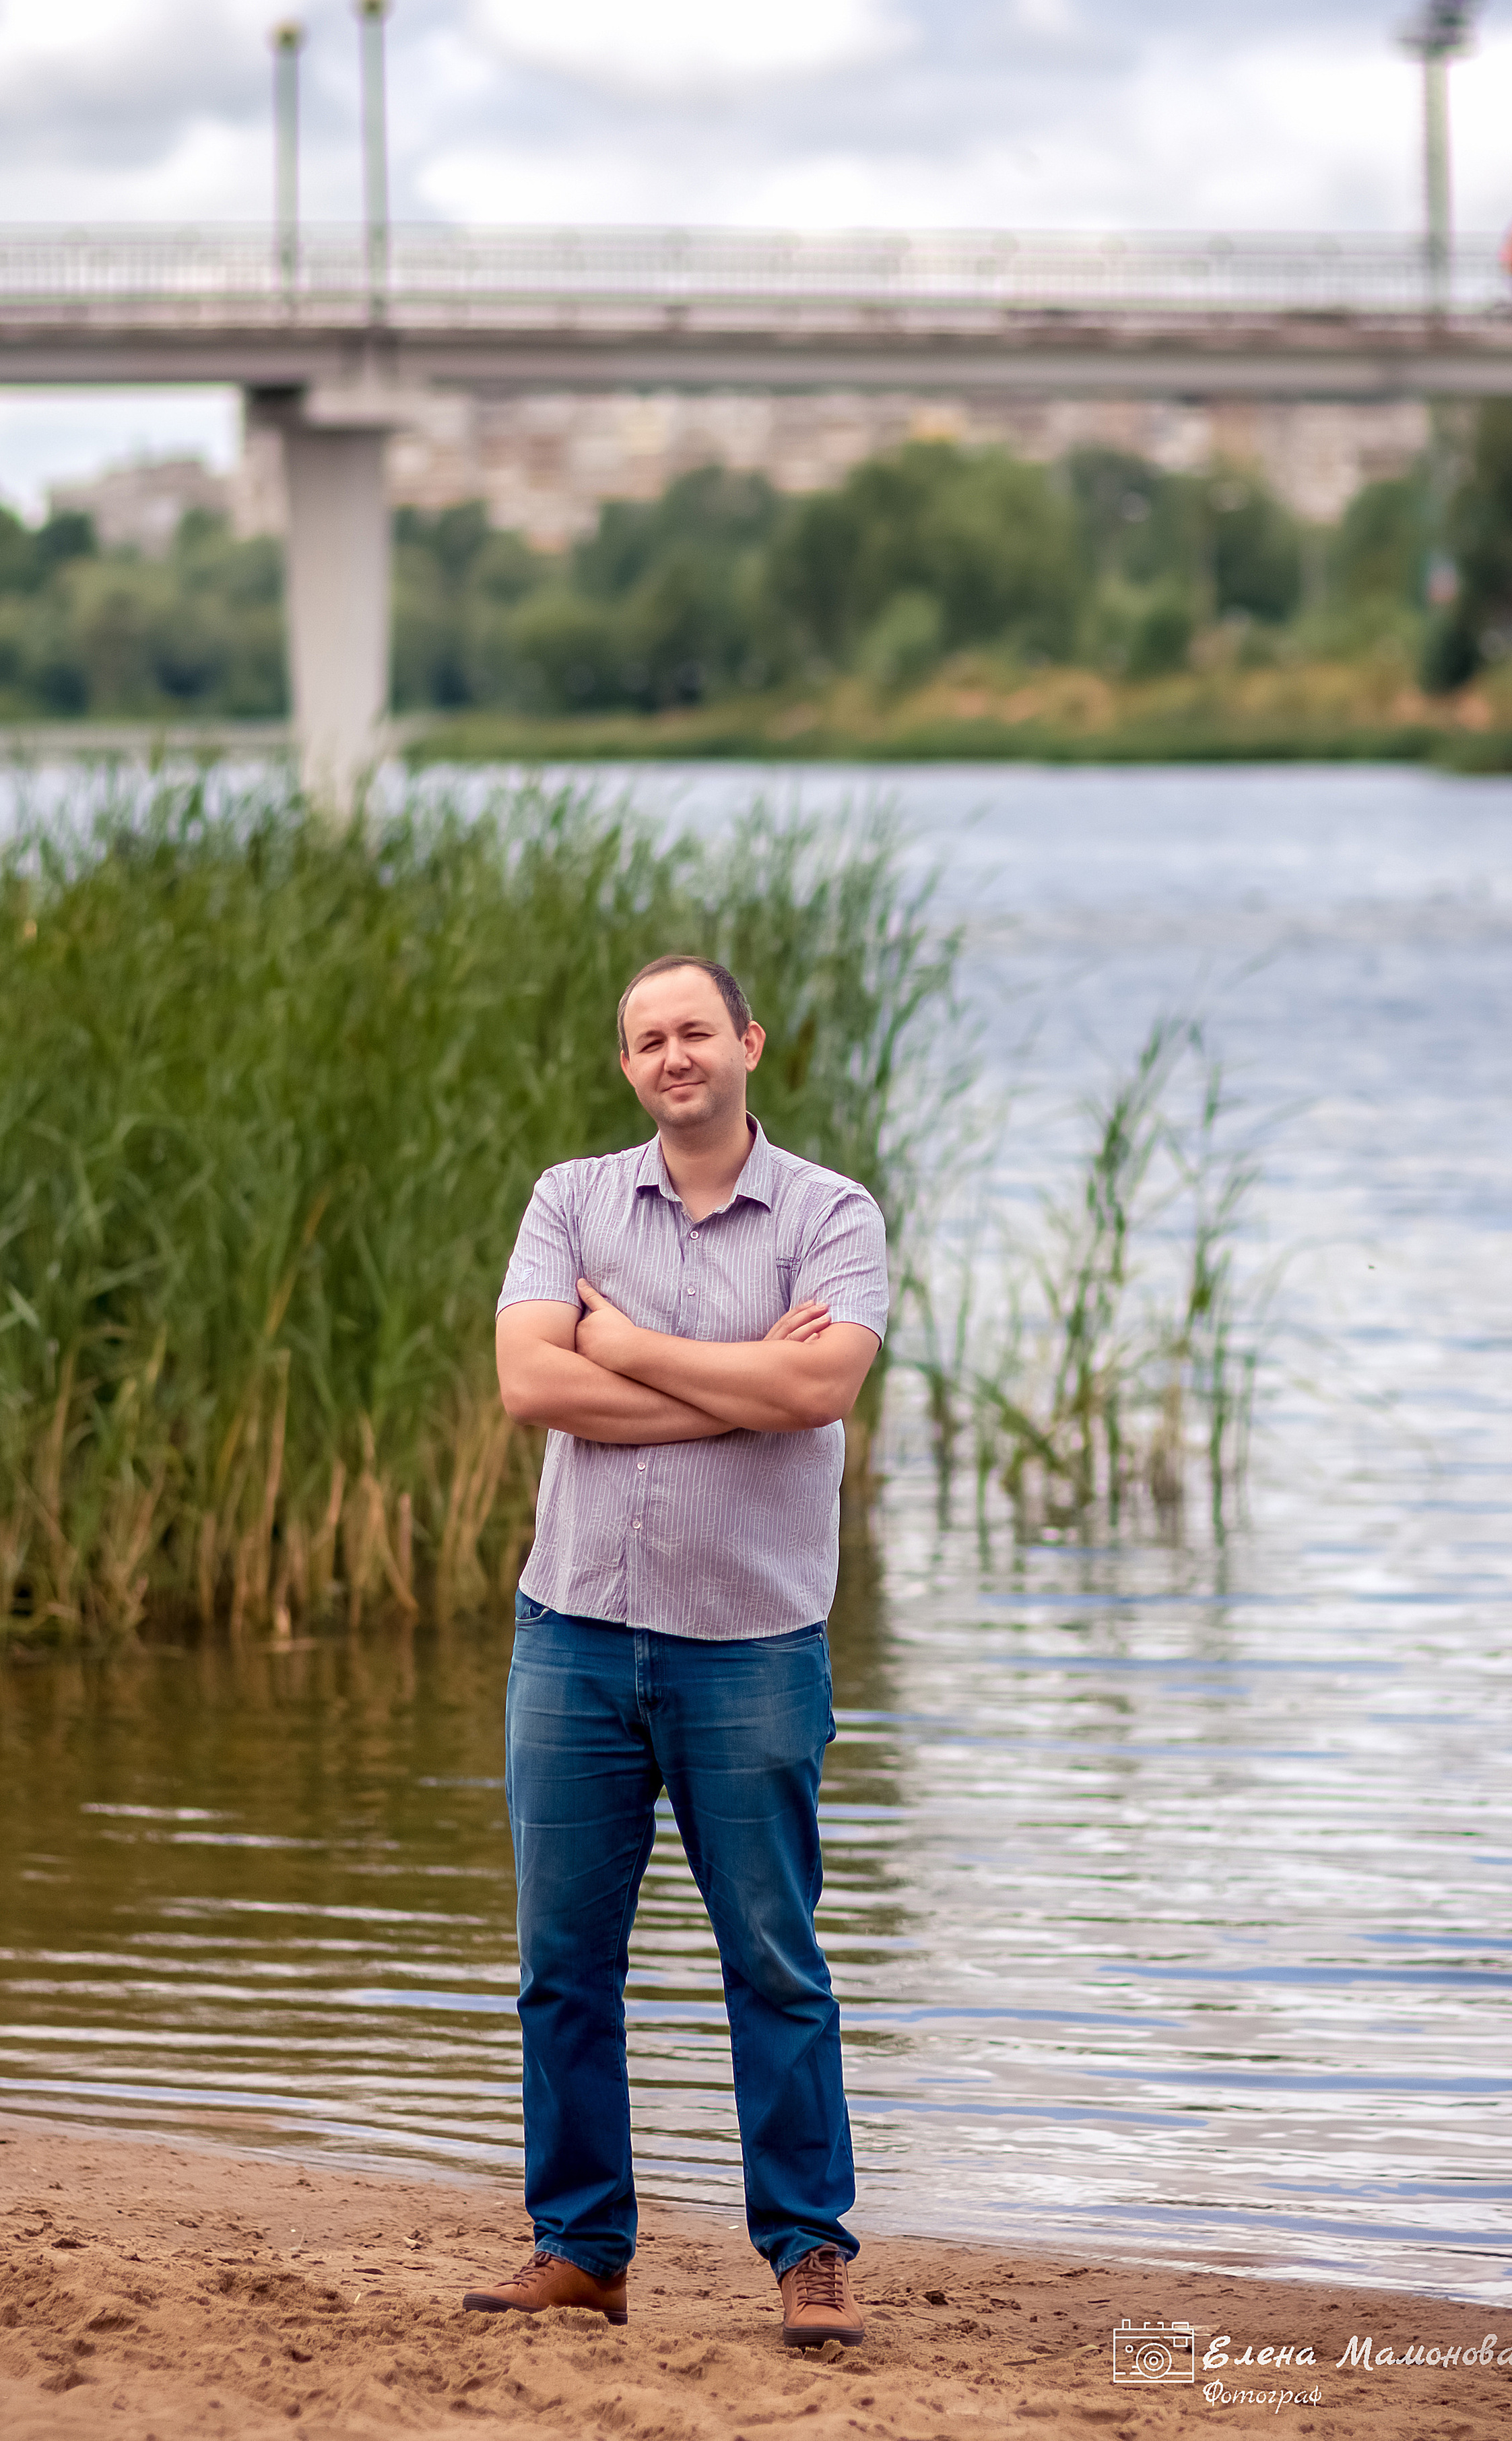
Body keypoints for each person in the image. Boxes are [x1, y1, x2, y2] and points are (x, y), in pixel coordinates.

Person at [464, 953, 887, 2349]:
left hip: (751, 1646)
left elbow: (818, 1383)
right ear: (628, 1064)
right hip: (574, 1632)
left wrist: (629, 1345)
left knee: (772, 1953)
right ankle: (582, 2250)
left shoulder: (829, 1215)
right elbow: (533, 1382)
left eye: (693, 1030)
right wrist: (737, 1394)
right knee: (559, 1963)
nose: (671, 1055)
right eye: (647, 1039)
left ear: (748, 1042)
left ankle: (806, 2254)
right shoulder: (569, 1198)